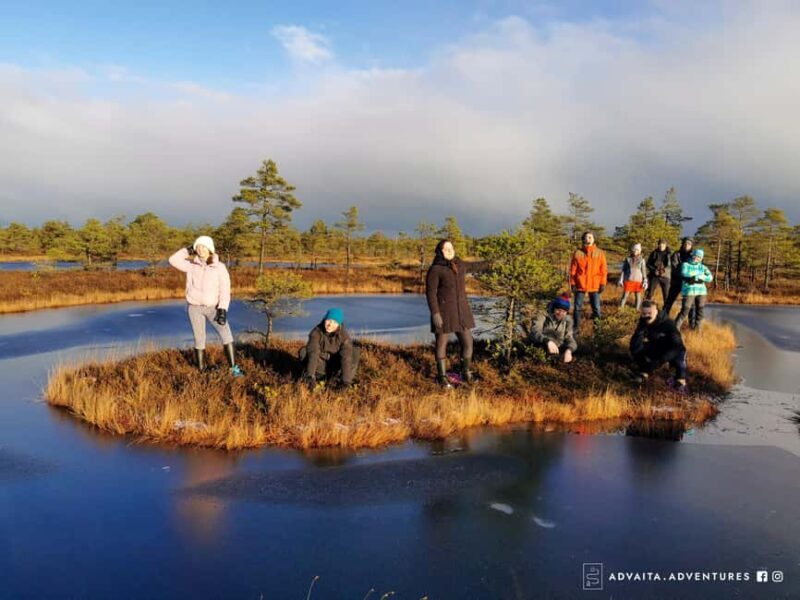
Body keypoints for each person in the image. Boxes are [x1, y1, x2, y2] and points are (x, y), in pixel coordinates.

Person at [168, 236, 242, 375]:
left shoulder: (219, 267)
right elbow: (172, 260)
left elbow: (225, 290)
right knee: (199, 338)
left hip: (213, 308)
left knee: (226, 335)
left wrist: (223, 309)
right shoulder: (191, 265)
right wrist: (187, 250)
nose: (201, 249)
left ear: (210, 249)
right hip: (194, 308)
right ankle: (202, 369)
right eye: (198, 247)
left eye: (203, 246)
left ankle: (234, 369)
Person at [426, 239, 483, 387]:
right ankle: (442, 377)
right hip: (444, 313)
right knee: (441, 344)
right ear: (440, 251)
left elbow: (476, 265)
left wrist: (496, 261)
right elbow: (431, 293)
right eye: (446, 249)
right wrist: (435, 313)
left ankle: (466, 373)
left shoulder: (460, 264)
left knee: (468, 342)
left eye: (451, 248)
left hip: (462, 312)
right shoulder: (436, 269)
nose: (450, 251)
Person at [629, 300, 687, 390]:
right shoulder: (643, 322)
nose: (646, 316)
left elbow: (677, 346)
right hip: (656, 347)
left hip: (672, 349)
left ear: (656, 311)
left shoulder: (668, 324)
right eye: (644, 313)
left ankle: (680, 380)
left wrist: (659, 362)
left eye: (649, 313)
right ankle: (644, 371)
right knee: (638, 349)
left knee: (679, 362)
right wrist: (639, 332)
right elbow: (633, 346)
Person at [299, 308, 360, 388]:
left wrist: (345, 381)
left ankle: (343, 380)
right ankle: (313, 378)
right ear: (324, 319)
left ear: (339, 324)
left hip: (337, 366)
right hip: (320, 366)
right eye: (329, 320)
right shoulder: (316, 333)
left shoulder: (344, 336)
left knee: (355, 352)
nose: (330, 325)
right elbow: (313, 354)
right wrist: (310, 376)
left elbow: (346, 357)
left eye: (335, 322)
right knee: (303, 352)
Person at [569, 231, 608, 333]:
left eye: (590, 237)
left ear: (594, 239)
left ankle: (598, 329)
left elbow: (603, 270)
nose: (588, 239)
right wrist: (572, 283)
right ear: (583, 239)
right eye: (586, 237)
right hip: (580, 284)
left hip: (595, 285)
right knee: (577, 308)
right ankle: (576, 328)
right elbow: (573, 270)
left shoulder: (600, 253)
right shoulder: (578, 253)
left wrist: (603, 283)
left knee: (596, 308)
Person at [528, 294, 577, 363]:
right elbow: (535, 332)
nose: (560, 313)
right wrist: (547, 341)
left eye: (564, 311)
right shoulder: (542, 315)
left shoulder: (568, 320)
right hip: (540, 346)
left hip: (557, 349)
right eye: (558, 310)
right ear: (553, 308)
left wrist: (569, 350)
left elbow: (570, 338)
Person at [675, 248, 713, 331]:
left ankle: (697, 332)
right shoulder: (686, 265)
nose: (697, 258)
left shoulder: (703, 267)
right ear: (692, 255)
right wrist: (699, 276)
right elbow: (684, 273)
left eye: (699, 257)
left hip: (701, 292)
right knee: (684, 311)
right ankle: (675, 330)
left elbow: (710, 277)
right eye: (695, 256)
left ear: (701, 258)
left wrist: (699, 277)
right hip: (689, 291)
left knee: (700, 312)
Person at [663, 237, 694, 314]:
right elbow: (674, 268)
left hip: (688, 284)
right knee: (669, 302)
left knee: (690, 305)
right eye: (685, 243)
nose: (687, 245)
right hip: (676, 282)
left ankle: (691, 324)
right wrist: (685, 275)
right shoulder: (676, 254)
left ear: (691, 246)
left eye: (689, 244)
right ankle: (663, 318)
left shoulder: (694, 256)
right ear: (683, 244)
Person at [619, 243, 648, 310]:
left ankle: (636, 311)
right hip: (628, 280)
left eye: (637, 250)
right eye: (634, 250)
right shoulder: (627, 259)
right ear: (632, 250)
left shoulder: (642, 260)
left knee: (638, 297)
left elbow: (644, 271)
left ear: (639, 251)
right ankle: (620, 310)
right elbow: (623, 270)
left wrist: (645, 281)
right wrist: (621, 279)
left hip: (638, 281)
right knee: (624, 296)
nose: (635, 251)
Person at [645, 239, 671, 303]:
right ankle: (646, 307)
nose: (661, 246)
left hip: (666, 276)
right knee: (650, 293)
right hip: (654, 275)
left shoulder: (669, 254)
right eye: (660, 244)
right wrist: (654, 270)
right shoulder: (654, 253)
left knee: (666, 294)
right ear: (658, 245)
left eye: (663, 244)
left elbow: (671, 265)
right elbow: (648, 264)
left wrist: (664, 270)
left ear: (665, 245)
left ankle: (666, 310)